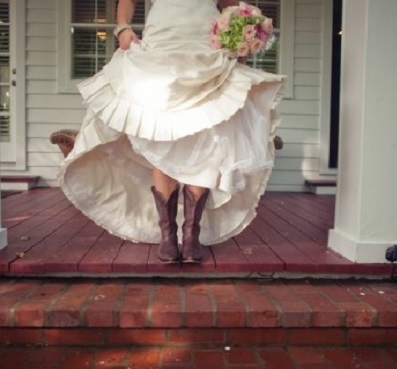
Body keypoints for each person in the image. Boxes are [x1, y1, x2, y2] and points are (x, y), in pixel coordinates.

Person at [57, 0, 285, 264]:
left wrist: (242, 31)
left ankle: (191, 235)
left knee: (206, 138)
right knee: (160, 136)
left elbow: (232, 4)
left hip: (206, 48)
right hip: (160, 47)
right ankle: (168, 235)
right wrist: (122, 28)